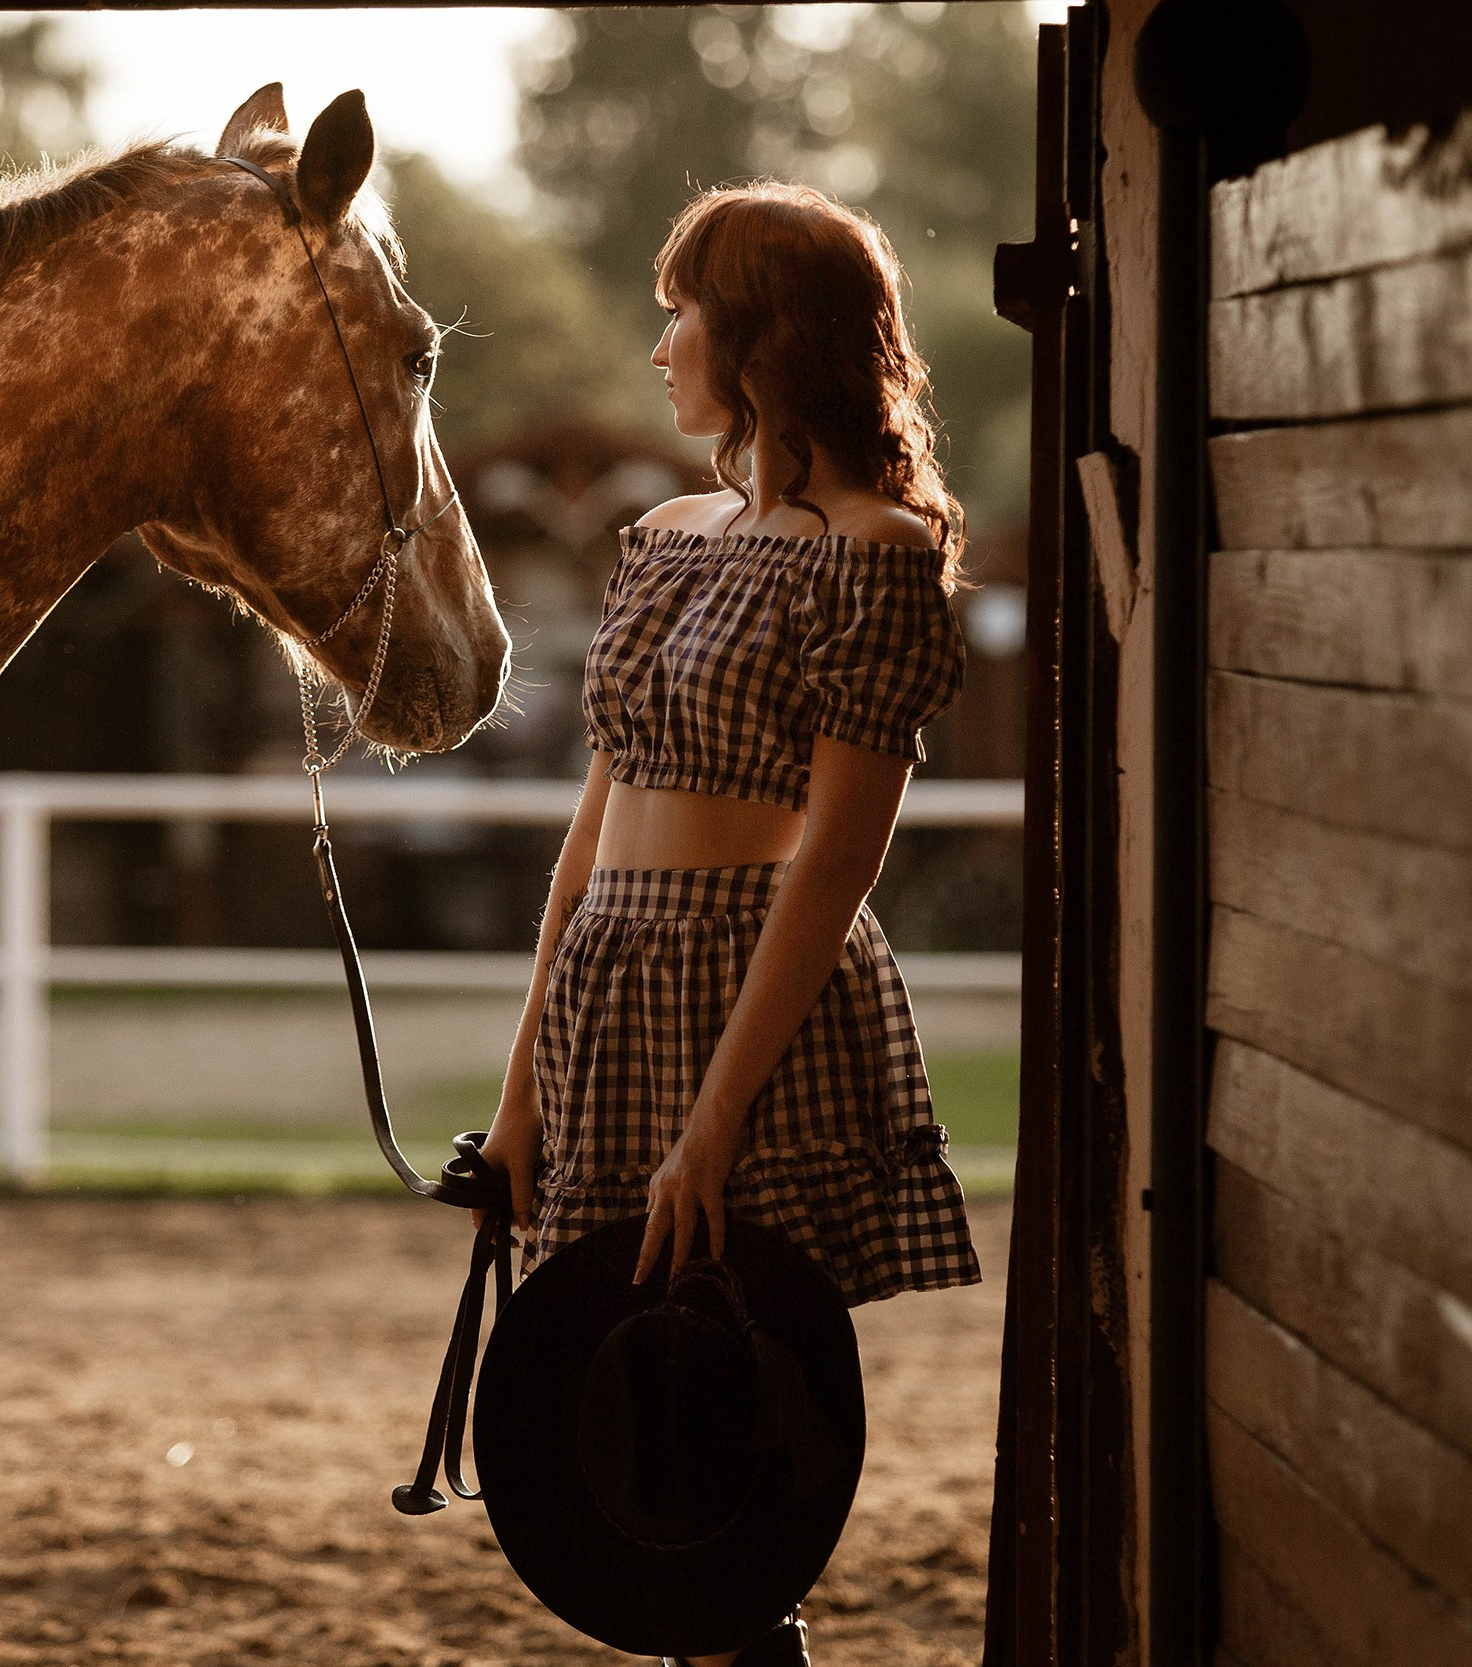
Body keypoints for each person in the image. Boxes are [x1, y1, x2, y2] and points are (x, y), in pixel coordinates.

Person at [478, 180, 982, 1667]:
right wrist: (519, 1099)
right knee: (622, 1430)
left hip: (749, 998)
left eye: (679, 315)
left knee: (714, 1434)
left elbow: (835, 865)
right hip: (613, 986)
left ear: (763, 338)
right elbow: (588, 841)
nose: (659, 354)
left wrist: (712, 1124)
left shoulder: (875, 550)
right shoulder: (671, 534)